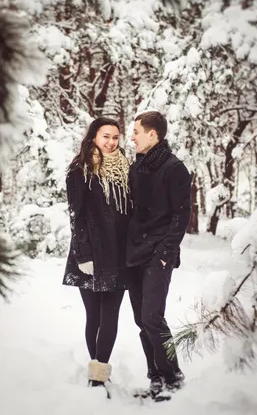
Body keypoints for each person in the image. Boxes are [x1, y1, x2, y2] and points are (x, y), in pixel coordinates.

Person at [126, 110, 192, 401]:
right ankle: (156, 378)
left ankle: (173, 377)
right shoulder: (137, 166)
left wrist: (166, 252)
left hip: (158, 254)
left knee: (153, 318)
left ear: (153, 134)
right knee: (142, 320)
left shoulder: (174, 167)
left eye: (136, 132)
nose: (132, 137)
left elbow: (182, 214)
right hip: (135, 253)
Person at [63, 117, 131, 393]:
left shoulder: (127, 169)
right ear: (93, 137)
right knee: (94, 315)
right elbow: (76, 216)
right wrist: (83, 255)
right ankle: (96, 372)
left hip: (119, 254)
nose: (111, 142)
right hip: (89, 254)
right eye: (106, 136)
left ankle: (99, 372)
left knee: (111, 316)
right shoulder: (79, 171)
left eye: (116, 137)